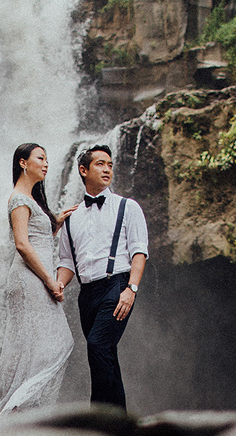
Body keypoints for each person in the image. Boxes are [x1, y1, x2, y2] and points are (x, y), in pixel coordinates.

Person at [57, 144, 148, 410]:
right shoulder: (71, 219)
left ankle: (98, 416)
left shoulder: (127, 207)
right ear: (83, 170)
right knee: (104, 353)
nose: (107, 169)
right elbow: (66, 262)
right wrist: (59, 284)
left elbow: (139, 252)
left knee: (97, 346)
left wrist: (131, 289)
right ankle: (118, 420)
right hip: (87, 295)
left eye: (109, 164)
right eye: (100, 164)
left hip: (117, 286)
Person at [0, 143, 77, 415]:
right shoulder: (19, 198)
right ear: (23, 163)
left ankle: (24, 407)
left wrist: (55, 223)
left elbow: (36, 238)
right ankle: (17, 407)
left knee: (37, 342)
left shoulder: (29, 199)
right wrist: (50, 280)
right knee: (52, 341)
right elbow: (22, 244)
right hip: (31, 278)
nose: (46, 164)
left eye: (47, 159)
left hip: (33, 278)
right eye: (40, 158)